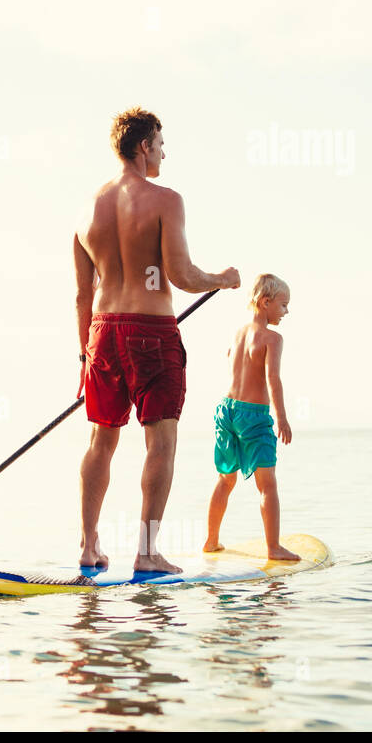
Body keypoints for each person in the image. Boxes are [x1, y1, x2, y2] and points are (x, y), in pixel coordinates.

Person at [73, 108, 240, 573]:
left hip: (101, 334)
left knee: (100, 442)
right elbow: (182, 275)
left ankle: (89, 547)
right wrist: (222, 279)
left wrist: (84, 357)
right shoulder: (166, 199)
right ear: (144, 146)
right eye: (161, 144)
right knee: (160, 443)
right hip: (151, 333)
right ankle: (146, 553)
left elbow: (83, 295)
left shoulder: (88, 208)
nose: (164, 153)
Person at [204, 274, 300, 561]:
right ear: (265, 302)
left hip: (226, 410)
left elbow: (231, 355)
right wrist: (281, 418)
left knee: (225, 479)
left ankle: (211, 540)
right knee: (267, 484)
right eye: (283, 305)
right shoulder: (273, 338)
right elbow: (273, 379)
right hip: (254, 416)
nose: (286, 312)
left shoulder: (238, 332)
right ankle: (273, 548)